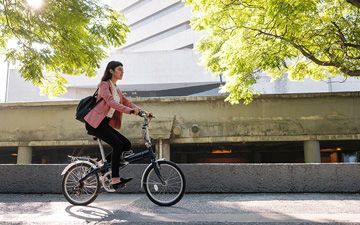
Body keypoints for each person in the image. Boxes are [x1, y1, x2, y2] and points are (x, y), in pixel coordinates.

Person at [84, 60, 151, 188]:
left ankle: (100, 164)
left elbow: (127, 102)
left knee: (126, 145)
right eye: (119, 69)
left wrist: (144, 112)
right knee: (118, 145)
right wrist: (130, 111)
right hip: (94, 123)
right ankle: (115, 179)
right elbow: (111, 102)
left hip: (103, 124)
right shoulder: (104, 85)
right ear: (111, 71)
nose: (122, 72)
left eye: (122, 69)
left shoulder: (116, 89)